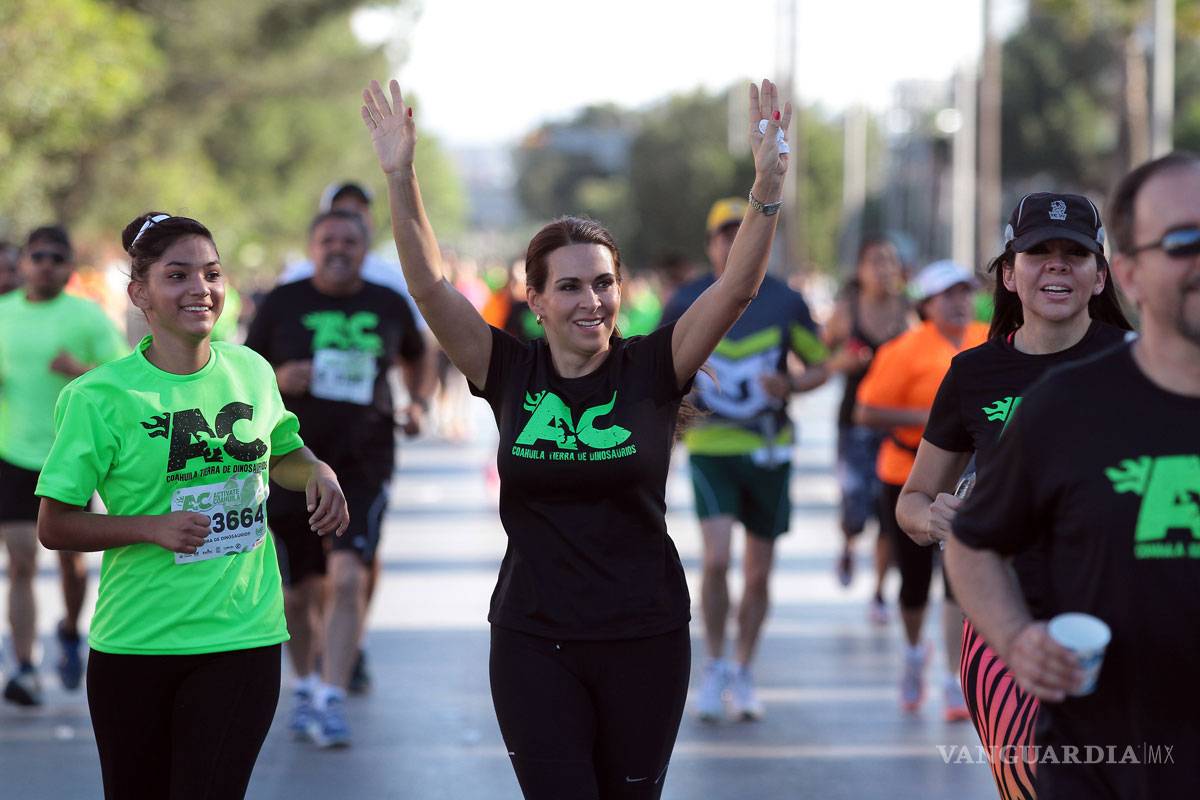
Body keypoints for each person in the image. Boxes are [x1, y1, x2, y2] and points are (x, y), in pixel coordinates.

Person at [361, 76, 790, 799]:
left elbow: (737, 290)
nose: (590, 301)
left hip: (645, 635)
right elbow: (431, 288)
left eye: (603, 283)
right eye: (569, 286)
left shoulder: (654, 367)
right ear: (535, 300)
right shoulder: (507, 368)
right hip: (534, 636)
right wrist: (401, 179)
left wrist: (766, 186)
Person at [34, 212, 348, 799]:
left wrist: (318, 472)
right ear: (139, 293)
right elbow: (55, 524)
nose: (199, 289)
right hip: (137, 645)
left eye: (211, 273)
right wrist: (149, 527)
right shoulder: (99, 397)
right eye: (177, 276)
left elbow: (283, 452)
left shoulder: (250, 370)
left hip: (242, 637)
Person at [947, 153, 1200, 797]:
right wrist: (1015, 638)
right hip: (1100, 756)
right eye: (1181, 241)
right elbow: (974, 544)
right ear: (1134, 277)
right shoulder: (1064, 404)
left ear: (1100, 277)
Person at [897, 193, 1132, 796]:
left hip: (1126, 616)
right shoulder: (973, 374)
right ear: (1009, 273)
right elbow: (914, 500)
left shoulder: (1138, 363)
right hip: (1005, 619)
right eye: (1038, 253)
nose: (1057, 265)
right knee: (1035, 781)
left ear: (1100, 274)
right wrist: (936, 519)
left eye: (1075, 253)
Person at [659, 197, 851, 723]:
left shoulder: (786, 300)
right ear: (711, 243)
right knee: (717, 560)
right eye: (725, 234)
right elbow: (652, 369)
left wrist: (789, 382)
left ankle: (744, 668)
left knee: (759, 573)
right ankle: (716, 663)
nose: (734, 243)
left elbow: (821, 365)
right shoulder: (686, 299)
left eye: (744, 232)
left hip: (768, 447)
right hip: (711, 448)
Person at [245, 208, 431, 747]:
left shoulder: (387, 303)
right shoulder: (283, 302)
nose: (338, 249)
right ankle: (304, 684)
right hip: (289, 464)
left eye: (349, 241)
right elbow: (243, 373)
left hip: (364, 461)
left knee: (348, 576)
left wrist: (418, 402)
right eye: (328, 240)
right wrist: (280, 378)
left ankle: (332, 698)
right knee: (298, 594)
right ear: (312, 245)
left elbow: (419, 357)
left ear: (364, 248)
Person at [854, 260, 988, 719]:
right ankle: (914, 655)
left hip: (969, 477)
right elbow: (866, 412)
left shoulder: (989, 339)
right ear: (927, 304)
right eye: (948, 294)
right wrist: (935, 425)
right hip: (906, 472)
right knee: (914, 581)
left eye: (965, 293)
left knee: (958, 578)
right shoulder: (903, 349)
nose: (960, 302)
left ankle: (953, 679)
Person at [0, 225, 127, 706]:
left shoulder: (87, 316)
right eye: (38, 256)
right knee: (20, 559)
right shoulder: (3, 314)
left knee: (72, 564)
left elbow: (122, 378)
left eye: (57, 257)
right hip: (12, 451)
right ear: (24, 264)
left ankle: (71, 631)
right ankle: (27, 666)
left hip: (72, 456)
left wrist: (79, 370)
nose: (46, 265)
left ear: (69, 267)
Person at [824, 235, 911, 617]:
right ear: (860, 271)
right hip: (853, 421)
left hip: (895, 423)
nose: (884, 268)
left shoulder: (908, 312)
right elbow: (821, 355)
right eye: (876, 260)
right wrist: (843, 360)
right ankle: (847, 543)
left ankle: (879, 590)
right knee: (854, 503)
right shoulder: (848, 310)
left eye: (890, 261)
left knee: (888, 509)